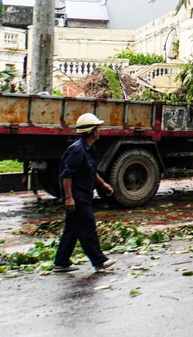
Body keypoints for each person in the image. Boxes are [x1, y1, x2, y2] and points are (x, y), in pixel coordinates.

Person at [53, 113, 115, 273]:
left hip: (83, 194)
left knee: (72, 230)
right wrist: (69, 198)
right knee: (88, 228)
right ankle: (99, 261)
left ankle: (61, 262)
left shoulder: (88, 148)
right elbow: (66, 175)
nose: (100, 130)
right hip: (77, 197)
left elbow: (90, 170)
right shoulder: (77, 150)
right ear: (92, 131)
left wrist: (103, 184)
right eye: (98, 128)